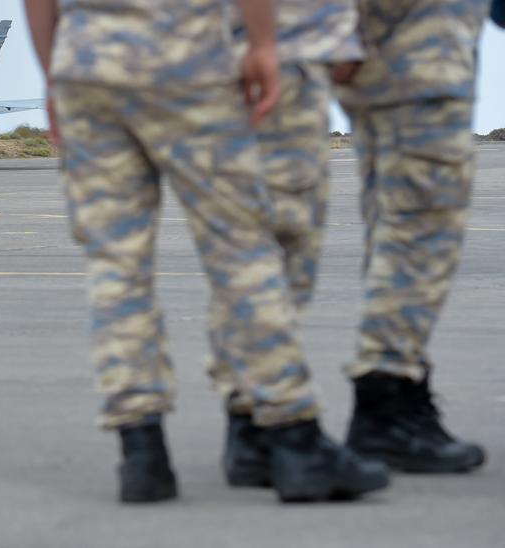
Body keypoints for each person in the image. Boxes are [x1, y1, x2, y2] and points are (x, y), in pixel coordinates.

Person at [23, 0, 389, 503]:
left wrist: (53, 75)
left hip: (87, 65)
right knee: (242, 247)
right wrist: (262, 44)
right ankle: (294, 435)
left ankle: (141, 452)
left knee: (115, 263)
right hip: (186, 57)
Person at [207, 1, 364, 488]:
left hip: (258, 49)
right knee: (282, 244)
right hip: (279, 52)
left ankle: (250, 421)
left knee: (261, 247)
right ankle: (281, 428)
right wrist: (266, 43)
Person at [332, 0, 490, 474]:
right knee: (420, 230)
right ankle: (387, 403)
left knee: (393, 224)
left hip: (392, 51)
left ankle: (401, 389)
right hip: (418, 55)